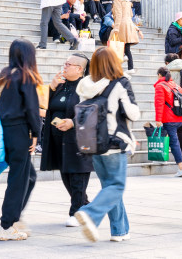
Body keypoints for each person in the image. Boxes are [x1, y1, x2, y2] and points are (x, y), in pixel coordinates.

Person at [74, 47, 140, 243]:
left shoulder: (85, 86)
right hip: (114, 143)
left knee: (109, 188)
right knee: (116, 186)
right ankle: (89, 213)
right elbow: (132, 113)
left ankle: (119, 231)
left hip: (93, 144)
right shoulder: (121, 83)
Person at [0, 39, 42, 240]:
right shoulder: (25, 77)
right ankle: (7, 225)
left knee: (29, 176)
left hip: (3, 131)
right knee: (18, 180)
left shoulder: (3, 75)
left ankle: (14, 217)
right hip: (19, 131)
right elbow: (32, 109)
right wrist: (36, 134)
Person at [42, 53, 94, 228]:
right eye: (64, 63)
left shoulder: (87, 86)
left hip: (78, 140)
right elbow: (44, 106)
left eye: (68, 64)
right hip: (58, 140)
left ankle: (77, 212)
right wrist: (51, 87)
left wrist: (73, 122)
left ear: (79, 69)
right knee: (66, 177)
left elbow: (94, 111)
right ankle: (86, 206)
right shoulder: (60, 84)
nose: (64, 67)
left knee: (77, 175)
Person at [153, 67, 182, 177]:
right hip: (180, 118)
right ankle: (162, 157)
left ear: (159, 75)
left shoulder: (160, 86)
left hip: (170, 119)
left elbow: (159, 104)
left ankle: (181, 168)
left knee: (173, 142)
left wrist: (158, 119)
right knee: (165, 133)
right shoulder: (176, 85)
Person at [110, 0, 142, 73]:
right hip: (128, 24)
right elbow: (131, 15)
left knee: (114, 43)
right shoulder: (127, 0)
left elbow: (119, 15)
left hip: (121, 25)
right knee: (126, 47)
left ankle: (122, 58)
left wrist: (116, 28)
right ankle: (130, 68)